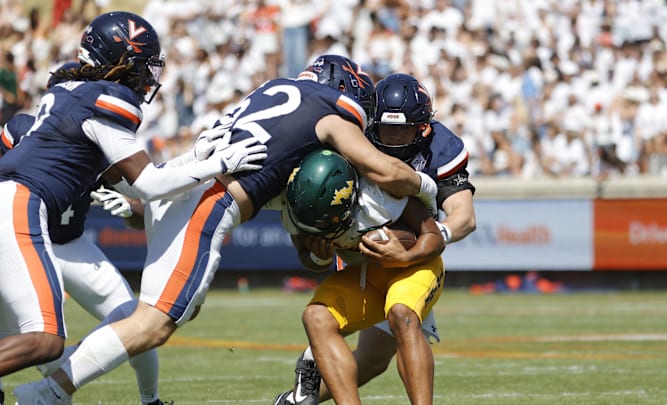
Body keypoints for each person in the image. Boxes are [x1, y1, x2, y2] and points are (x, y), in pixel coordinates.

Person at [14, 54, 438, 403]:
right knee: (154, 323)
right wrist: (426, 186)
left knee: (175, 312)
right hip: (212, 199)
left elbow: (293, 217)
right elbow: (382, 169)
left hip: (187, 182)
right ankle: (50, 390)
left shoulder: (273, 91)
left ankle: (58, 375)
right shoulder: (331, 111)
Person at [1, 10, 266, 402]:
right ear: (117, 62)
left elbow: (133, 181)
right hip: (20, 206)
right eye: (142, 65)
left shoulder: (72, 94)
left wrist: (191, 161)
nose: (147, 77)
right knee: (44, 341)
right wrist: (217, 164)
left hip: (26, 210)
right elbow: (149, 184)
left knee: (42, 339)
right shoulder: (105, 102)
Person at [274, 72, 476, 404]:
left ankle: (307, 380)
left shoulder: (434, 152)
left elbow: (463, 217)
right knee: (354, 345)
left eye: (403, 129)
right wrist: (320, 254)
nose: (394, 138)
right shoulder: (344, 147)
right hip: (360, 256)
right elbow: (307, 253)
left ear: (422, 127)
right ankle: (300, 396)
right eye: (387, 128)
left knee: (385, 340)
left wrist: (411, 251)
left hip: (411, 253)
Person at [0, 112, 169, 405]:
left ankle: (150, 400)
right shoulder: (23, 130)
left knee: (136, 320)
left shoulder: (102, 149)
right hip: (17, 241)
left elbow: (145, 209)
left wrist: (130, 209)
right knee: (35, 342)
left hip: (70, 246)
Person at [277, 147, 446, 405]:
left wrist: (404, 257)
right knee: (316, 317)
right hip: (366, 273)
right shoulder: (295, 204)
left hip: (413, 267)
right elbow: (306, 257)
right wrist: (320, 258)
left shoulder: (380, 196)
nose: (322, 231)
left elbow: (434, 238)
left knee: (401, 314)